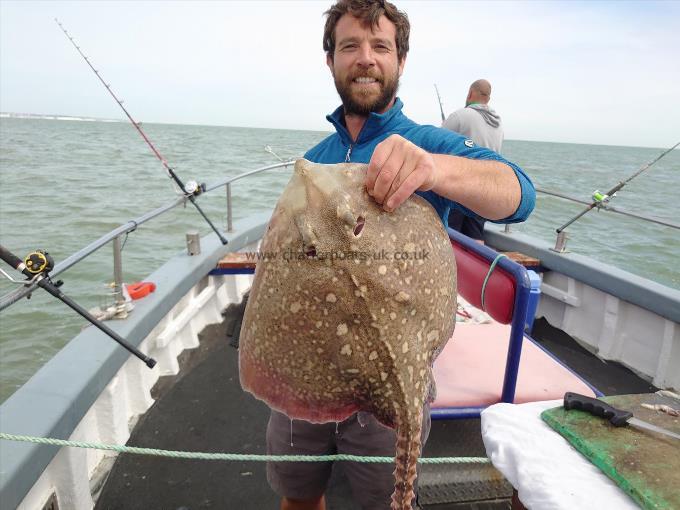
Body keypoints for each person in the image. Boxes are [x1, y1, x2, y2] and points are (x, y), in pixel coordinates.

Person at [266, 2, 535, 509]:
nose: (365, 58)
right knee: (297, 495)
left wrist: (435, 169)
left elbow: (519, 193)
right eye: (350, 46)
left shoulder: (428, 143)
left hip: (392, 371)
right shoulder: (318, 158)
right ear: (331, 61)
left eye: (380, 46)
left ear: (400, 61)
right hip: (303, 368)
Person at [442, 79, 505, 242]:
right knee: (476, 236)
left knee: (449, 235)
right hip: (485, 189)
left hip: (458, 188)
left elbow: (437, 145)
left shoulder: (461, 115)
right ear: (488, 99)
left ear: (470, 93)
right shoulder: (498, 124)